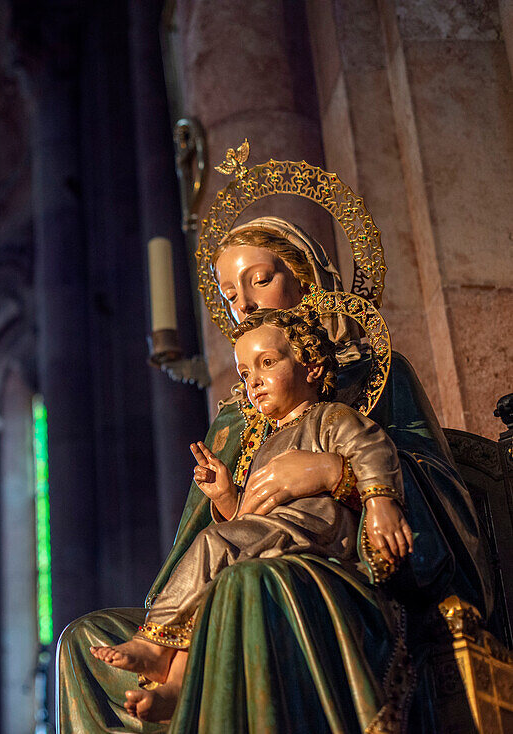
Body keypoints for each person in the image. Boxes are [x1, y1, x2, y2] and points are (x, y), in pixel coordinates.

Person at [55, 216, 492, 733]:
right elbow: (217, 535)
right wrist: (225, 500)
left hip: (335, 569)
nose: (244, 303)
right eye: (228, 293)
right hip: (237, 574)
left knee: (248, 584)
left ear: (304, 276)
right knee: (84, 638)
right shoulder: (234, 419)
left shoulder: (372, 376)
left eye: (259, 280)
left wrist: (334, 474)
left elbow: (444, 500)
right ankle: (171, 673)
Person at [89, 305, 414, 711]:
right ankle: (175, 688)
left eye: (267, 363)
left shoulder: (331, 418)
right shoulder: (261, 444)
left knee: (212, 545)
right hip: (273, 535)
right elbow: (251, 516)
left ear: (311, 367)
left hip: (316, 532)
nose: (253, 382)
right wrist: (227, 497)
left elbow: (372, 450)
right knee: (213, 586)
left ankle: (154, 642)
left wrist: (381, 502)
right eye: (245, 374)